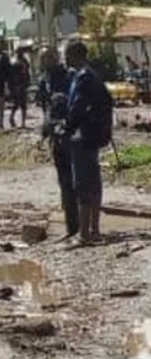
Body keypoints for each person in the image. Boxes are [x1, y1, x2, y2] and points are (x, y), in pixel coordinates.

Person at [62, 41, 113, 245]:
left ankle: (84, 234)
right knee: (94, 182)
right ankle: (94, 229)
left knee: (83, 184)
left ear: (74, 55)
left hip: (82, 137)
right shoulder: (92, 76)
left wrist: (66, 128)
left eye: (66, 54)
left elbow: (77, 108)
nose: (64, 59)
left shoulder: (82, 78)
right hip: (93, 136)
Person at [38, 47, 79, 239]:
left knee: (73, 180)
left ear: (56, 58)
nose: (45, 61)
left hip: (70, 133)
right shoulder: (44, 81)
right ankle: (71, 224)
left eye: (48, 58)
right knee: (64, 180)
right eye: (43, 58)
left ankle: (77, 225)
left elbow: (75, 104)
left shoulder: (69, 76)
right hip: (55, 135)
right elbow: (46, 108)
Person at [8, 49, 30, 128]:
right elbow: (23, 75)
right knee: (21, 104)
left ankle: (14, 118)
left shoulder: (17, 63)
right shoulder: (20, 64)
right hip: (20, 86)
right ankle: (21, 122)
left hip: (18, 86)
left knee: (17, 104)